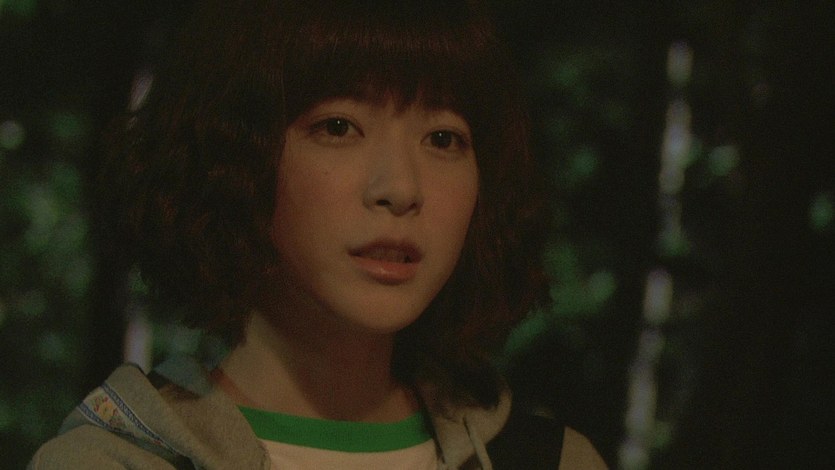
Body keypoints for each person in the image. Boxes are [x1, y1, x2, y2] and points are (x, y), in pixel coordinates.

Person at [30, 0, 607, 468]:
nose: (401, 188)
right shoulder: (111, 463)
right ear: (236, 157)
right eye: (338, 127)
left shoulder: (554, 462)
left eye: (443, 139)